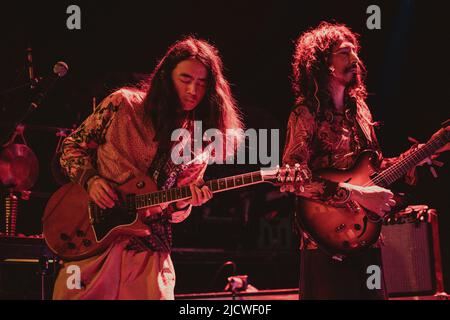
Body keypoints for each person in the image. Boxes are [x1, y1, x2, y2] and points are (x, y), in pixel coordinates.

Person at [53, 37, 243, 300]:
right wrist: (91, 181)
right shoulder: (123, 104)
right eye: (185, 79)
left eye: (202, 83)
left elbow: (176, 210)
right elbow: (71, 147)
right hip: (92, 243)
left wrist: (185, 203)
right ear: (166, 77)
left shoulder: (200, 139)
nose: (193, 91)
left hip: (148, 253)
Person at [281, 22, 447, 299]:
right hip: (323, 244)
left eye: (355, 52)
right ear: (322, 62)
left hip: (367, 236)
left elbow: (375, 170)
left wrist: (425, 151)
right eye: (345, 53)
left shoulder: (360, 110)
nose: (355, 58)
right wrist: (359, 195)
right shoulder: (305, 113)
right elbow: (293, 181)